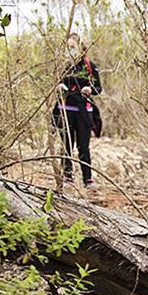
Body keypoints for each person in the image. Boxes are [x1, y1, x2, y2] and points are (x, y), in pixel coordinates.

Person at [52, 33, 102, 187]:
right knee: (66, 144)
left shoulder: (89, 66)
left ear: (81, 48)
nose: (70, 51)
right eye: (68, 48)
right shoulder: (63, 66)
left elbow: (98, 88)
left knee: (83, 146)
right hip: (65, 109)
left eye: (72, 47)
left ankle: (88, 179)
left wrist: (89, 89)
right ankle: (67, 176)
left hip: (83, 111)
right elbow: (54, 84)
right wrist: (59, 86)